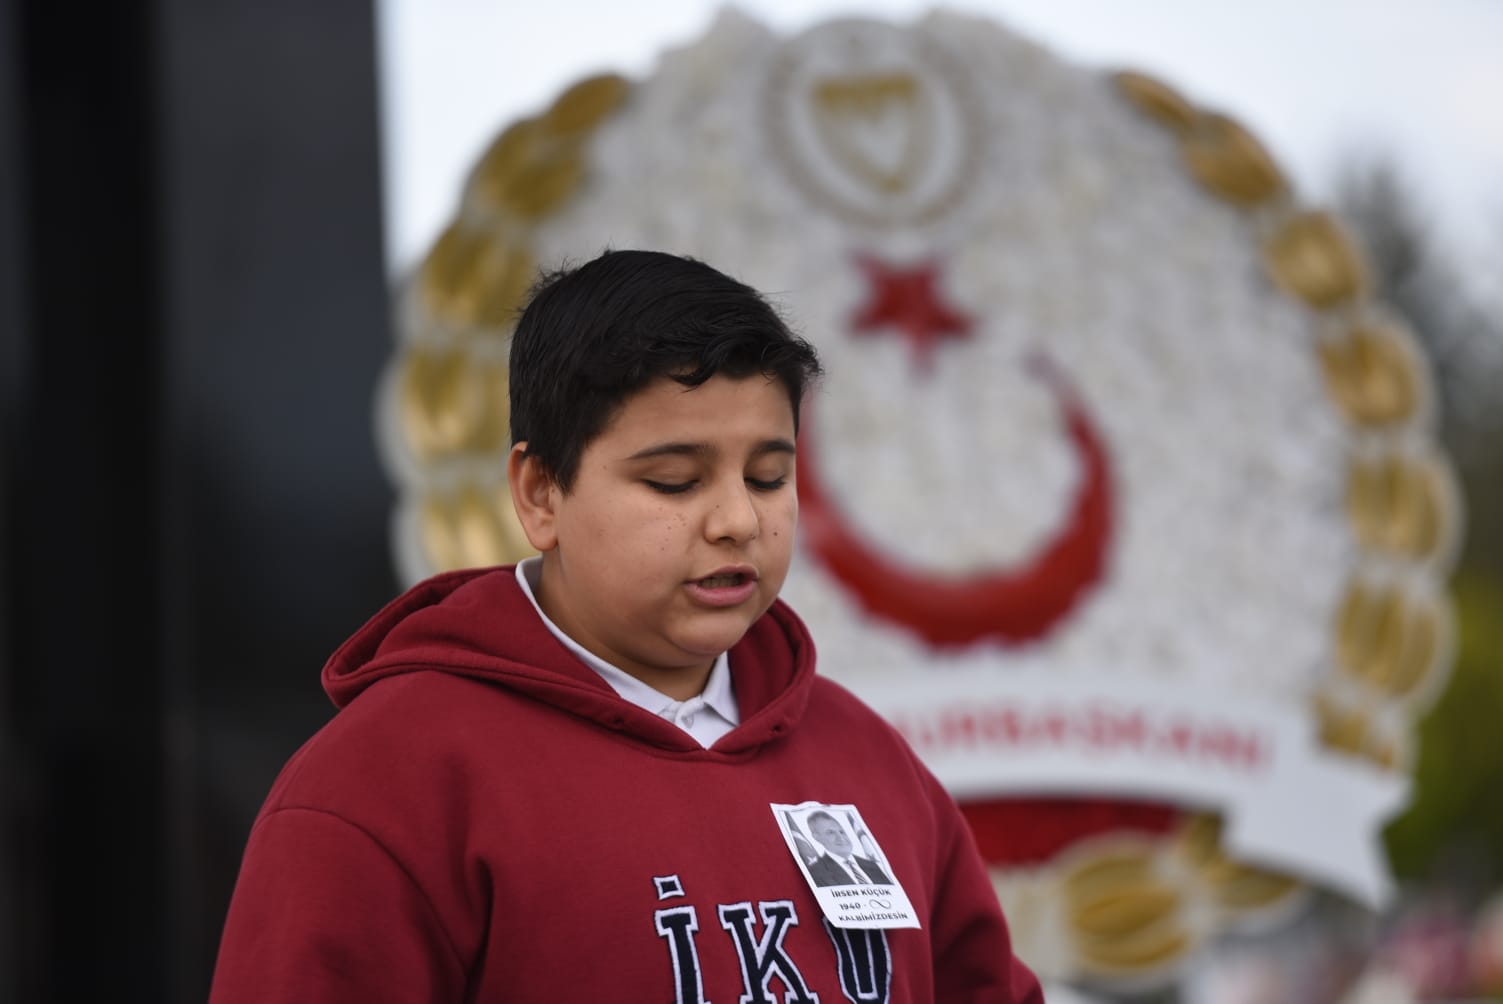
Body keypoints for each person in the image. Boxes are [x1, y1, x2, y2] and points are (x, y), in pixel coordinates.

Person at [208, 249, 1043, 1003]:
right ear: (540, 493)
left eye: (767, 476)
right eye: (675, 481)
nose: (737, 521)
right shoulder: (387, 785)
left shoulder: (867, 761)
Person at [805, 809, 894, 887]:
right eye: (831, 832)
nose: (841, 838)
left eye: (841, 832)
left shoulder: (872, 866)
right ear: (817, 837)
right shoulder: (817, 873)